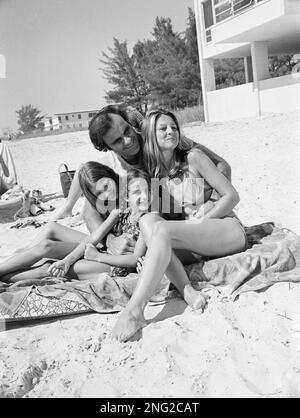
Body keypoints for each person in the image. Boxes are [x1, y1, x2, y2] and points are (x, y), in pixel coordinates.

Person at [111, 109, 247, 342]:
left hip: (224, 228)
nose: (170, 131)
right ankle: (186, 289)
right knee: (148, 220)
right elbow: (147, 217)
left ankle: (134, 311)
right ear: (150, 136)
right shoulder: (152, 173)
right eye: (163, 128)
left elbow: (231, 196)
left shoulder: (193, 157)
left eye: (173, 127)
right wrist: (148, 249)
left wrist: (202, 220)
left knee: (162, 230)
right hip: (193, 236)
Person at [53, 105, 231, 234]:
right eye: (117, 141)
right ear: (107, 147)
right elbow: (89, 212)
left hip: (190, 220)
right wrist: (110, 242)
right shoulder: (111, 166)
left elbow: (221, 166)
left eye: (126, 131)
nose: (128, 140)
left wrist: (212, 202)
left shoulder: (156, 138)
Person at [0, 162, 149, 283]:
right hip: (104, 252)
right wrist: (67, 260)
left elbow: (134, 257)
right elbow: (94, 237)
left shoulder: (142, 214)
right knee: (47, 246)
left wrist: (97, 256)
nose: (106, 194)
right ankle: (10, 264)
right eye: (98, 193)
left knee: (49, 268)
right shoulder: (118, 209)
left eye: (106, 186)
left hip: (116, 265)